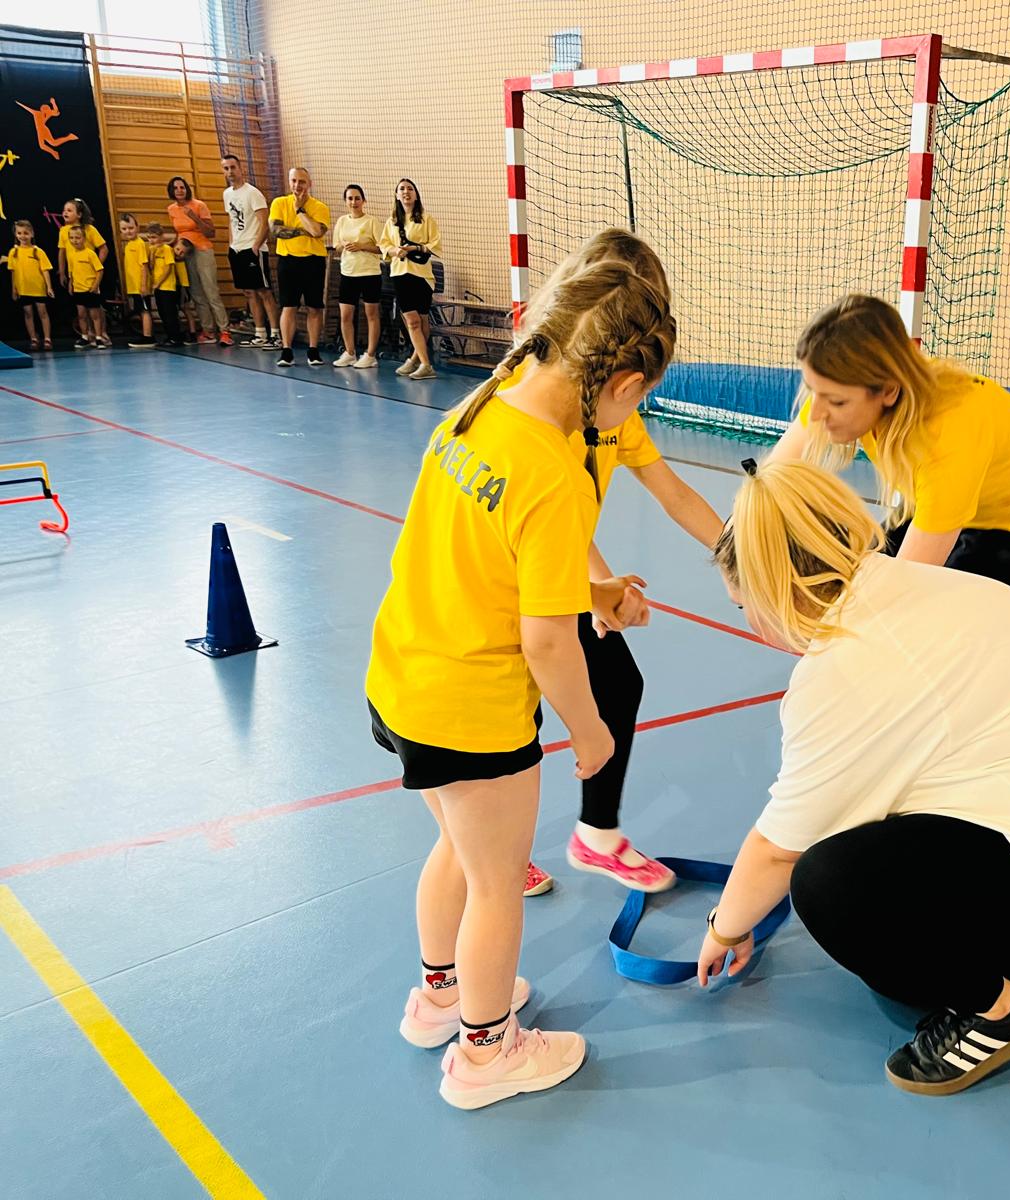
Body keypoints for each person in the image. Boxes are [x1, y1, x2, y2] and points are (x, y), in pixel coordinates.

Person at [698, 460, 1010, 1096]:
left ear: (778, 590)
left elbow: (779, 851)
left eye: (744, 606)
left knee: (833, 889)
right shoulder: (933, 583)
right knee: (888, 915)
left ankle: (997, 1014)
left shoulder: (842, 670)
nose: (751, 624)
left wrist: (724, 928)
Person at [365, 253, 676, 1110]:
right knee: (498, 883)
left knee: (457, 853)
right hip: (471, 709)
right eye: (640, 400)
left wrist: (598, 593)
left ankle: (440, 998)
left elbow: (494, 566)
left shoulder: (481, 408)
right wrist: (592, 731)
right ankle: (486, 1052)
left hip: (403, 676)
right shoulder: (554, 470)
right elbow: (546, 642)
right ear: (624, 384)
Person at [511, 229, 724, 898]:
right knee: (515, 715)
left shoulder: (614, 409)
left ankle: (595, 834)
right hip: (516, 579)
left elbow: (673, 493)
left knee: (617, 683)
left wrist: (736, 556)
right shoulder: (535, 399)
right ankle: (496, 847)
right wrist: (595, 588)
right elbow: (544, 512)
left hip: (564, 571)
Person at [769, 294, 1010, 590]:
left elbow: (901, 589)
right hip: (951, 489)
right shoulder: (841, 389)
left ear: (889, 390)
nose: (816, 413)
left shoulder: (944, 445)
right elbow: (771, 478)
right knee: (863, 577)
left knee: (931, 611)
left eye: (836, 401)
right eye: (813, 391)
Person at [379, 178, 441, 380]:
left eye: (410, 189)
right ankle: (425, 364)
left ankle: (416, 359)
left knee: (422, 319)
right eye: (402, 189)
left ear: (416, 194)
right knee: (412, 320)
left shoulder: (426, 219)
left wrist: (414, 248)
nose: (406, 192)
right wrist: (395, 251)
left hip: (422, 275)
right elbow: (384, 244)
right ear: (397, 195)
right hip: (400, 274)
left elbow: (435, 245)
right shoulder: (392, 221)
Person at [269, 166, 331, 368]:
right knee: (289, 306)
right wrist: (303, 231)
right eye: (294, 181)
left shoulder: (319, 207)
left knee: (314, 307)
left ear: (309, 184)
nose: (297, 185)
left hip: (313, 261)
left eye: (302, 181)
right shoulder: (279, 203)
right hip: (288, 261)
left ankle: (313, 350)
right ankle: (287, 351)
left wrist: (299, 210)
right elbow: (276, 230)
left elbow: (316, 232)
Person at [220, 152, 280, 348]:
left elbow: (265, 223)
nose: (230, 171)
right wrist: (231, 244)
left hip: (253, 249)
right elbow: (231, 220)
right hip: (237, 249)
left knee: (264, 291)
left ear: (241, 169)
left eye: (233, 167)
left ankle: (276, 334)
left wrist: (256, 245)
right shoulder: (227, 194)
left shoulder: (252, 193)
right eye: (226, 168)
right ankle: (260, 333)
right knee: (249, 292)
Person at [166, 176, 230, 345]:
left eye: (182, 187)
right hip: (186, 253)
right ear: (171, 191)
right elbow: (179, 232)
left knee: (211, 292)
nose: (179, 190)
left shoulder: (199, 205)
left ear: (187, 189)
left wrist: (195, 217)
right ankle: (208, 331)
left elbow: (211, 232)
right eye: (175, 188)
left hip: (202, 250)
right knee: (196, 294)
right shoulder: (171, 209)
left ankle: (224, 330)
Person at [331, 184, 383, 367]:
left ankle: (370, 355)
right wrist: (344, 245)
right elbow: (336, 245)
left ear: (363, 200)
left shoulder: (372, 222)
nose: (354, 202)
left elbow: (382, 248)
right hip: (348, 273)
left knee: (371, 314)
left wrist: (362, 246)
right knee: (345, 315)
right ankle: (350, 352)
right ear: (346, 201)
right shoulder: (342, 221)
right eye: (350, 198)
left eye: (357, 198)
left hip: (370, 273)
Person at [55, 198, 107, 347]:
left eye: (69, 210)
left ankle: (102, 334)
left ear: (79, 214)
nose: (65, 213)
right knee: (82, 310)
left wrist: (96, 266)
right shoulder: (64, 231)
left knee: (95, 308)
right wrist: (63, 272)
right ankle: (88, 335)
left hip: (90, 276)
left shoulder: (89, 229)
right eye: (64, 210)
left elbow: (104, 249)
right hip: (76, 276)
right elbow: (62, 252)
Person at [6, 220, 55, 350]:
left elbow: (45, 270)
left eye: (26, 233)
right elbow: (13, 272)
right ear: (16, 234)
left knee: (42, 312)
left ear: (32, 234)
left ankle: (47, 338)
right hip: (23, 289)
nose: (22, 236)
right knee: (28, 313)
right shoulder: (13, 252)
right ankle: (33, 338)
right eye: (19, 233)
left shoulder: (38, 251)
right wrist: (14, 289)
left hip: (38, 288)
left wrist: (49, 287)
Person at [116, 213, 155, 349]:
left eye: (131, 228)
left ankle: (148, 337)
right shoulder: (128, 245)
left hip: (140, 286)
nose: (128, 231)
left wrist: (143, 285)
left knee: (145, 310)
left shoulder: (140, 244)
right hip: (133, 286)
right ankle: (145, 334)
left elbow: (144, 265)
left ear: (137, 228)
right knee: (140, 310)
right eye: (124, 229)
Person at [144, 223, 183, 347]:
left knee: (170, 313)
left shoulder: (167, 249)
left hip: (168, 287)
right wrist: (152, 254)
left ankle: (176, 337)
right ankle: (169, 336)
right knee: (162, 313)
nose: (151, 240)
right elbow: (151, 267)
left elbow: (168, 268)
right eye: (149, 237)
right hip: (158, 287)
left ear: (161, 236)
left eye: (154, 237)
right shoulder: (152, 249)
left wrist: (158, 283)